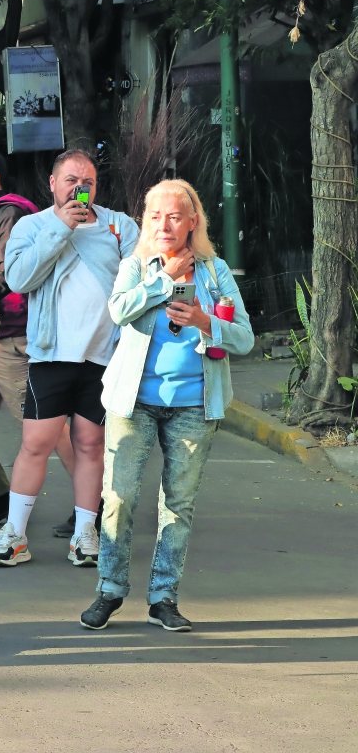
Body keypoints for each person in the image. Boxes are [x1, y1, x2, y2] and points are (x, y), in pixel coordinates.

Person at [80, 180, 253, 633]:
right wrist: (165, 280)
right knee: (118, 497)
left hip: (195, 404)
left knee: (178, 504)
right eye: (155, 216)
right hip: (132, 400)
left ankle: (163, 597)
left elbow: (245, 337)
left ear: (192, 222)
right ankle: (110, 590)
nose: (164, 225)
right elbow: (119, 311)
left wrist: (204, 319)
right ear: (145, 222)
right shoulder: (135, 265)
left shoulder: (216, 272)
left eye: (174, 216)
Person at [0, 149, 138, 568]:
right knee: (35, 443)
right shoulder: (31, 226)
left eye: (87, 180)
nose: (79, 187)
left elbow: (137, 279)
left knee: (91, 445)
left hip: (103, 358)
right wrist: (61, 229)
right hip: (51, 354)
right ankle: (14, 533)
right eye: (70, 179)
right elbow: (18, 279)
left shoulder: (119, 226)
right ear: (52, 184)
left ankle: (85, 534)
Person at [0, 146, 75, 527]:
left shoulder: (11, 213)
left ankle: (98, 502)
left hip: (13, 338)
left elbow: (10, 272)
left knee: (51, 427)